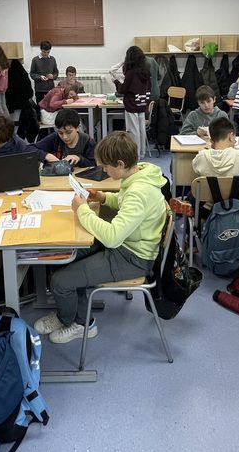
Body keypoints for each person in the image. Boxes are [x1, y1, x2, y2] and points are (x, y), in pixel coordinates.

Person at [33, 131, 167, 343]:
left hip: (133, 257)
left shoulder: (139, 192)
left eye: (106, 166)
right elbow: (124, 202)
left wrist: (82, 210)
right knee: (62, 257)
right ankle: (71, 314)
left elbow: (112, 237)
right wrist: (103, 197)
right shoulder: (140, 173)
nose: (103, 170)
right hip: (128, 245)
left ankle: (80, 324)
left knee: (60, 281)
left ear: (120, 164)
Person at [192, 116, 239, 190]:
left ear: (211, 140)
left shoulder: (201, 157)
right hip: (236, 199)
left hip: (208, 199)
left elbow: (196, 169)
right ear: (231, 136)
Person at [114, 45, 150, 157]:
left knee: (133, 131)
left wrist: (116, 82)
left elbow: (123, 90)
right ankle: (142, 152)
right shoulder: (146, 72)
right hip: (142, 103)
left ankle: (135, 155)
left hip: (132, 104)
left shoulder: (131, 73)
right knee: (141, 130)